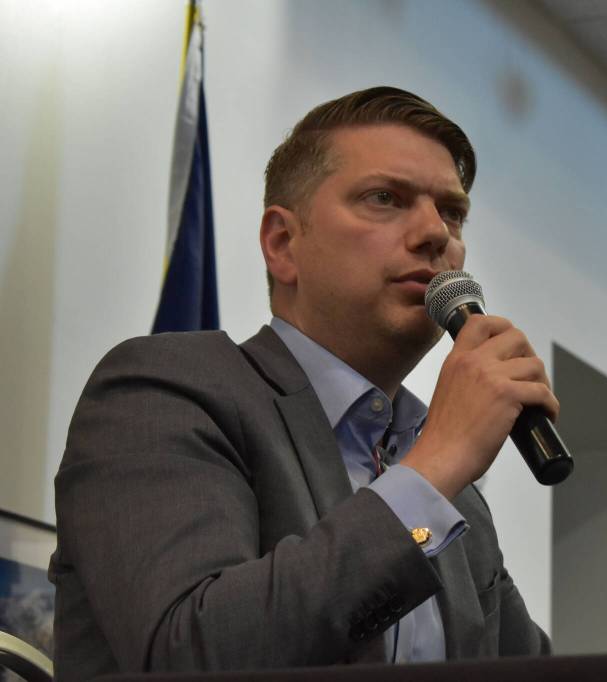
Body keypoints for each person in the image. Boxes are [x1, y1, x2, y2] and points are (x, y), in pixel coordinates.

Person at [48, 87, 552, 680]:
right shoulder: (163, 392)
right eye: (386, 198)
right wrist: (437, 467)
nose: (435, 233)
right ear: (283, 244)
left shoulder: (454, 497)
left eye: (453, 212)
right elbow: (190, 653)